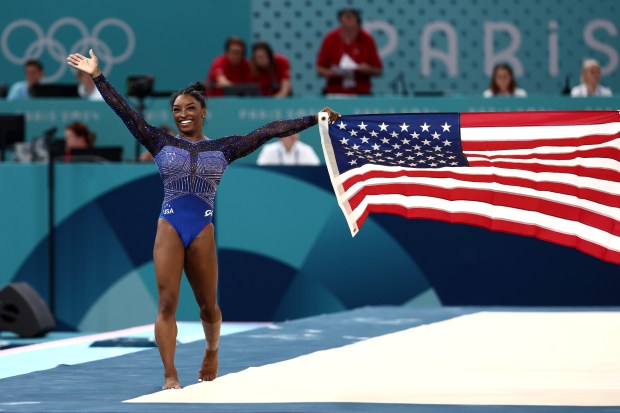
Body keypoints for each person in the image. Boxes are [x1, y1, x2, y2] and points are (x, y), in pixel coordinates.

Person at [66, 49, 340, 390]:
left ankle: (212, 350)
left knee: (208, 307)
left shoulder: (226, 148)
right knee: (166, 302)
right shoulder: (158, 140)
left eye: (189, 108)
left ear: (203, 112)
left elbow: (270, 130)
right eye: (177, 110)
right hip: (169, 225)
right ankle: (170, 374)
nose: (182, 115)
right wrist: (98, 76)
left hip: (202, 230)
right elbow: (124, 112)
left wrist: (314, 119)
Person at [316, 8, 383, 95]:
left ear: (358, 23)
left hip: (361, 92)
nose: (347, 26)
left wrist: (367, 69)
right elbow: (320, 69)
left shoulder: (367, 39)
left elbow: (378, 70)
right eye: (344, 23)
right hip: (335, 91)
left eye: (350, 21)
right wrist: (331, 73)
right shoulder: (330, 39)